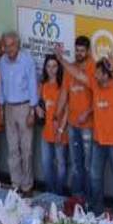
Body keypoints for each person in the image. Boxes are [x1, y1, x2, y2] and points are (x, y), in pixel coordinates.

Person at [56, 47, 113, 215]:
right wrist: (61, 60)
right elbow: (77, 74)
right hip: (98, 141)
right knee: (95, 177)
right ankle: (97, 211)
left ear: (106, 75)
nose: (94, 75)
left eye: (98, 73)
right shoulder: (95, 85)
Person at [0, 31, 38, 196]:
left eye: (12, 45)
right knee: (12, 148)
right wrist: (0, 109)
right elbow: (0, 83)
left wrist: (32, 111)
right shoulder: (2, 60)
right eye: (6, 46)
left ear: (18, 44)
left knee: (26, 150)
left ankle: (27, 186)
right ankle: (16, 184)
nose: (9, 49)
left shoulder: (27, 60)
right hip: (8, 107)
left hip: (24, 107)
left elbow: (33, 85)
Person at [57, 36, 94, 198]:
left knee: (88, 166)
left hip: (88, 126)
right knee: (75, 164)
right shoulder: (69, 68)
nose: (79, 53)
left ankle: (89, 200)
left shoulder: (93, 67)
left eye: (82, 51)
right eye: (77, 50)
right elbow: (64, 94)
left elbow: (98, 96)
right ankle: (77, 198)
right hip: (72, 124)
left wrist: (88, 112)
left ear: (89, 51)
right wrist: (56, 117)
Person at [37, 54, 69, 195]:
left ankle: (58, 193)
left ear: (59, 68)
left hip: (60, 131)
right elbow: (38, 103)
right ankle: (50, 192)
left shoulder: (63, 86)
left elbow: (67, 110)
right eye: (48, 66)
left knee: (61, 165)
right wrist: (37, 109)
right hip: (46, 131)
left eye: (54, 66)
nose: (51, 69)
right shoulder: (43, 85)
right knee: (46, 164)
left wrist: (61, 130)